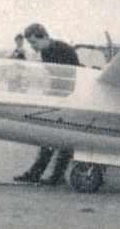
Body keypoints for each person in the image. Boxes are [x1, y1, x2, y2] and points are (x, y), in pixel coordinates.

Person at [14, 23, 81, 186]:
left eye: (34, 42)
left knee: (61, 139)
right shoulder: (47, 51)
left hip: (69, 98)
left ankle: (51, 175)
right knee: (52, 138)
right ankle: (42, 174)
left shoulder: (62, 50)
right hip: (61, 97)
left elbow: (68, 77)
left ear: (44, 37)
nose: (33, 47)